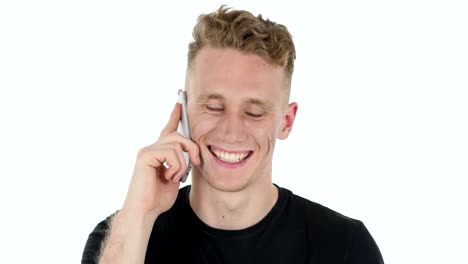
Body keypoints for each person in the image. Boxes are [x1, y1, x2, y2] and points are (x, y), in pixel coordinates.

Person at [82, 6, 384, 264]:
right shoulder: (124, 237)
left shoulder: (345, 248)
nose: (231, 131)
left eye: (254, 112)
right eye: (214, 106)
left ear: (286, 122)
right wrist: (142, 211)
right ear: (184, 109)